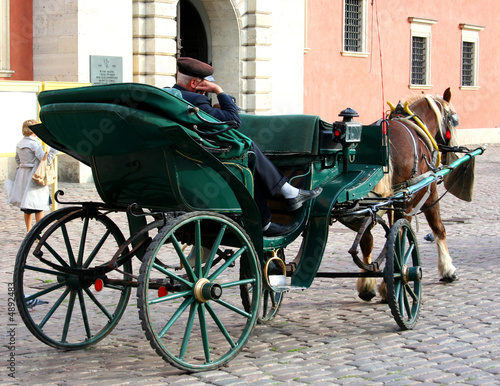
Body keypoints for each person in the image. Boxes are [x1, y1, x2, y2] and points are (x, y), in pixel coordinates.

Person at [169, 57, 322, 236]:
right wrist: (218, 90)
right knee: (248, 152)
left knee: (247, 155)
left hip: (182, 157)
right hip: (205, 158)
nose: (205, 93)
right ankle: (273, 211)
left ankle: (288, 193)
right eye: (205, 87)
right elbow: (235, 119)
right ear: (195, 83)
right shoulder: (194, 99)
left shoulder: (171, 96)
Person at [5, 119, 58, 233]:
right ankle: (39, 231)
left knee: (27, 207)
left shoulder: (20, 144)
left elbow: (17, 159)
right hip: (35, 175)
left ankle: (29, 230)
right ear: (35, 131)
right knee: (38, 205)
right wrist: (54, 149)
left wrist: (24, 166)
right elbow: (45, 159)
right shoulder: (34, 144)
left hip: (22, 175)